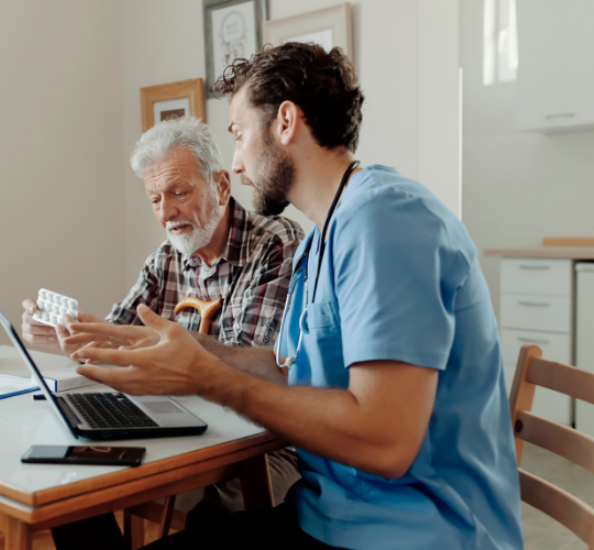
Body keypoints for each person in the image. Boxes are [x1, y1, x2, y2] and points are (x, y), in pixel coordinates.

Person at [66, 43, 523, 550]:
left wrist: (206, 377)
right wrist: (192, 347)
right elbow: (292, 370)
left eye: (238, 136)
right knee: (70, 504)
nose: (236, 165)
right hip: (332, 515)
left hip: (414, 531)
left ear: (285, 122)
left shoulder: (385, 220)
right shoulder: (322, 237)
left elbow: (387, 440)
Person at [21, 116, 304, 549]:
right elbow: (117, 336)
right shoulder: (165, 260)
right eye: (155, 199)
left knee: (215, 519)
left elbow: (252, 366)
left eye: (179, 192)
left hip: (262, 442)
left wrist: (138, 349)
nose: (166, 212)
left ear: (222, 185)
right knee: (68, 489)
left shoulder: (275, 243)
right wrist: (67, 332)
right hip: (181, 428)